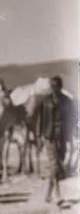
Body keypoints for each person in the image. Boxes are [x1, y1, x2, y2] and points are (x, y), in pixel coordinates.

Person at [40, 75, 65, 204]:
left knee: (55, 165)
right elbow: (41, 120)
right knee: (54, 164)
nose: (54, 89)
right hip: (49, 136)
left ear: (61, 87)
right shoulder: (46, 102)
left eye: (56, 86)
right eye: (52, 86)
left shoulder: (66, 101)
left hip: (62, 137)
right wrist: (40, 135)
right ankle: (57, 194)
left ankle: (48, 195)